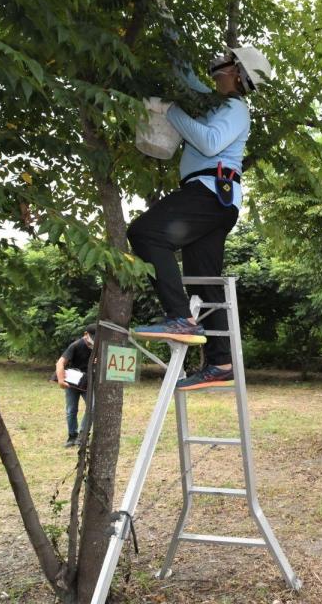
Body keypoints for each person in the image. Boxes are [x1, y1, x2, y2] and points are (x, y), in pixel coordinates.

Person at [127, 46, 271, 390]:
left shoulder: (236, 108)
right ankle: (221, 362)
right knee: (203, 280)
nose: (216, 67)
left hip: (210, 193)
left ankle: (179, 318)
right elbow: (187, 78)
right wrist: (166, 24)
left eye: (224, 64)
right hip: (217, 199)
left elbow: (209, 143)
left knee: (146, 234)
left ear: (237, 73)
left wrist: (171, 110)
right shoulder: (215, 105)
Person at [54, 325, 96, 448]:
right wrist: (61, 380)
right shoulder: (76, 345)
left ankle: (83, 436)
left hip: (87, 381)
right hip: (72, 381)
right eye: (92, 337)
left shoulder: (99, 347)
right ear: (86, 334)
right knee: (71, 410)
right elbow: (60, 363)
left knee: (93, 407)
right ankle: (72, 436)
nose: (94, 339)